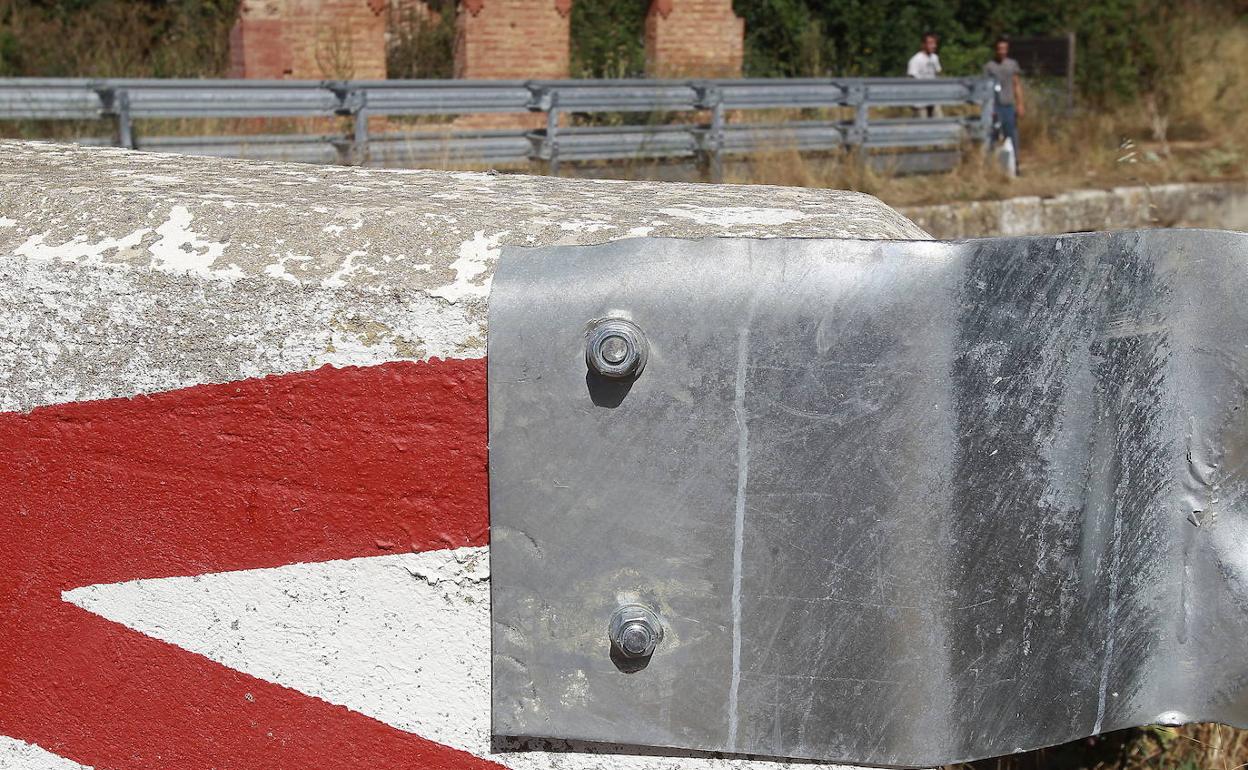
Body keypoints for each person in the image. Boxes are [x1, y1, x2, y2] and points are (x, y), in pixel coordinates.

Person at [984, 36, 1025, 173]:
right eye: (999, 49)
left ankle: (1015, 165)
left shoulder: (1012, 64)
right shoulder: (989, 66)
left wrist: (1020, 104)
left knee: (1012, 134)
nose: (1002, 51)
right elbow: (985, 87)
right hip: (994, 106)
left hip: (1008, 104)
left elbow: (1016, 84)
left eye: (1004, 49)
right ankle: (991, 165)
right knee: (992, 136)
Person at [907, 32, 942, 117]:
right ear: (923, 44)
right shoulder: (915, 60)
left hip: (933, 98)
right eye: (930, 43)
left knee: (940, 122)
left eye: (935, 43)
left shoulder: (935, 58)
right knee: (922, 125)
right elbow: (912, 78)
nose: (934, 46)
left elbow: (937, 73)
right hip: (920, 100)